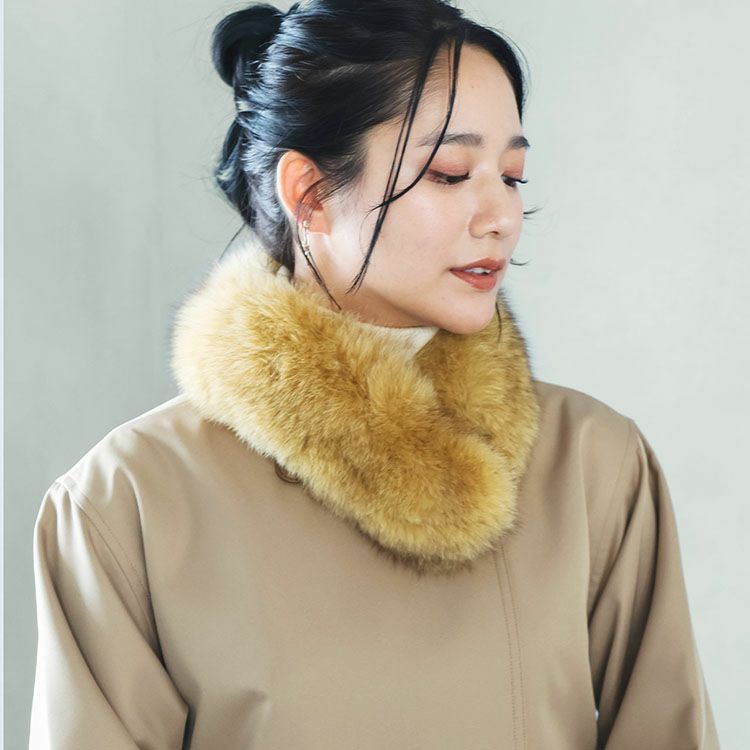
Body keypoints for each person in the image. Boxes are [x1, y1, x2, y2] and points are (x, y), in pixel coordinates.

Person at [28, 1, 720, 748]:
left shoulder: (593, 466)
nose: (501, 216)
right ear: (310, 194)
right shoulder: (130, 500)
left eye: (512, 175)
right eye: (450, 174)